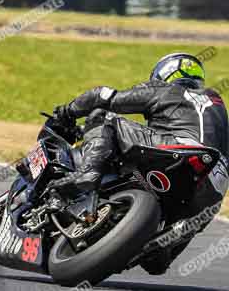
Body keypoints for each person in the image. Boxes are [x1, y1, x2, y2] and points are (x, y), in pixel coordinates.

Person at [47, 52, 229, 273]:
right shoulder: (218, 107)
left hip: (179, 153)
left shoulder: (167, 89)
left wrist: (66, 113)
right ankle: (160, 245)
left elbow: (102, 96)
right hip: (214, 187)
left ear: (164, 73)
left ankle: (88, 173)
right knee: (157, 264)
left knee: (105, 117)